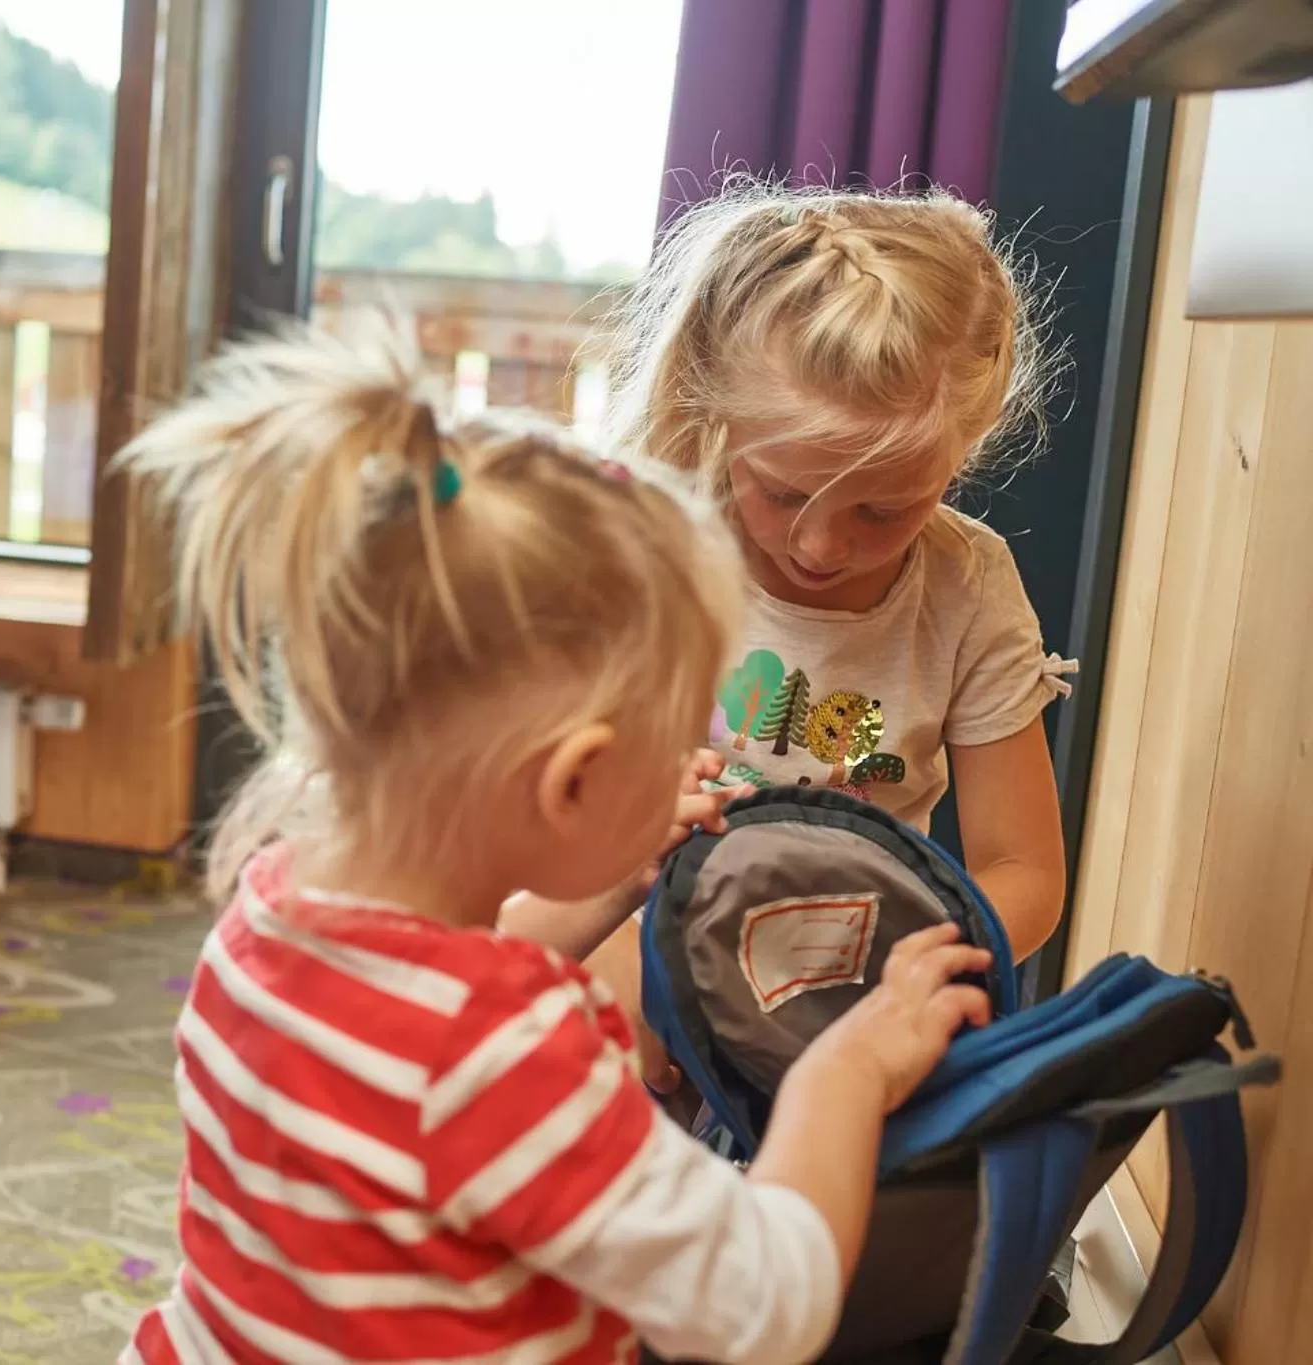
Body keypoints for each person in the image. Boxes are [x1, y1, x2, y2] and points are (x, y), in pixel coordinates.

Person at [117, 319, 994, 1364]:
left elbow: (417, 1063)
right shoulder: (515, 1051)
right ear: (572, 780)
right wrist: (843, 1074)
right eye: (675, 740)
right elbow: (765, 1307)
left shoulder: (262, 924)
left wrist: (610, 871)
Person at [501, 185, 1071, 1092]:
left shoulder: (969, 585)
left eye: (882, 509)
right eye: (782, 491)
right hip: (629, 919)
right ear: (717, 410)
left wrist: (912, 962)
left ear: (968, 447)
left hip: (847, 962)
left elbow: (1023, 869)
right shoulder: (647, 545)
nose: (820, 543)